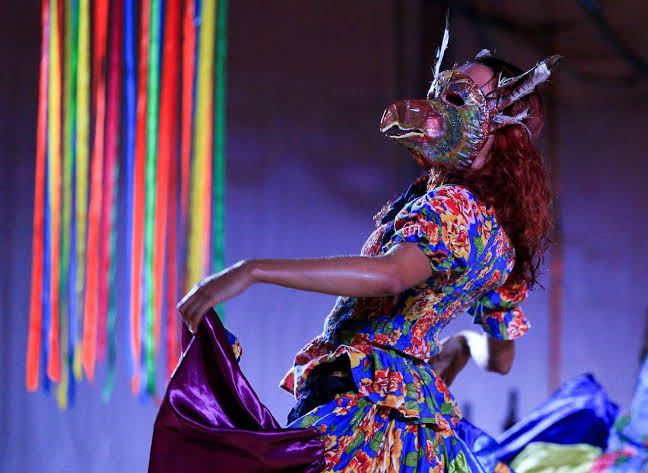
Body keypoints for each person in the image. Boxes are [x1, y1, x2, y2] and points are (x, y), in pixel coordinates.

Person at [177, 36, 559, 471]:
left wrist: (253, 270)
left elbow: (393, 274)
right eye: (439, 95)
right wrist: (465, 343)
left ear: (501, 129)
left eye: (456, 100)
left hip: (366, 414)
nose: (437, 110)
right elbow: (502, 359)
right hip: (410, 427)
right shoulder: (502, 240)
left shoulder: (452, 207)